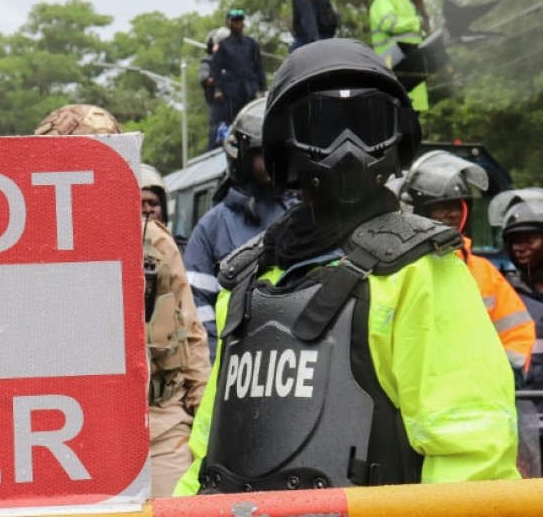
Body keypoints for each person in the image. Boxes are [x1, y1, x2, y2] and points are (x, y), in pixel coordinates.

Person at [174, 38, 519, 496]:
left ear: (397, 136)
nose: (348, 147)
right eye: (323, 126)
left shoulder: (420, 269)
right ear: (282, 143)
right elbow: (209, 457)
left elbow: (472, 451)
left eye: (367, 124)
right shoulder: (248, 280)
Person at [34, 104, 211, 498]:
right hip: (64, 432)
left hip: (158, 423)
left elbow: (190, 332)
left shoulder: (153, 243)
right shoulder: (26, 249)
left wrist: (202, 417)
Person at [400, 151, 536, 385]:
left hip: (480, 396)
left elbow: (517, 331)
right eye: (441, 206)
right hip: (417, 394)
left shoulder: (483, 271)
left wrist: (508, 374)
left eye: (457, 205)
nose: (451, 213)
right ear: (420, 211)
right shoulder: (400, 268)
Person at [182, 97, 295, 362]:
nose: (272, 161)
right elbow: (195, 307)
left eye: (278, 152)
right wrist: (217, 364)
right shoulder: (213, 226)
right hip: (235, 363)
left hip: (299, 362)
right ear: (241, 157)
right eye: (262, 153)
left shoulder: (306, 212)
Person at [491, 188, 543, 396]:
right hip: (522, 402)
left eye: (529, 239)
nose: (519, 247)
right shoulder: (503, 292)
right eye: (514, 240)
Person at [370, 0, 429, 111]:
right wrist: (417, 22)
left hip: (411, 66)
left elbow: (421, 30)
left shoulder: (407, 0)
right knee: (395, 115)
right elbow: (389, 23)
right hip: (393, 62)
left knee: (411, 118)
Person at [211, 9, 267, 127]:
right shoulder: (223, 45)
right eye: (235, 21)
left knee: (252, 121)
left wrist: (263, 88)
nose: (238, 23)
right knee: (233, 122)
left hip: (251, 89)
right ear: (229, 23)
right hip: (231, 92)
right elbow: (216, 69)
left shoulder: (251, 43)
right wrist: (218, 89)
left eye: (240, 21)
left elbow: (259, 67)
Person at [200, 27, 231, 150]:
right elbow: (205, 78)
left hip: (236, 103)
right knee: (216, 134)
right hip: (218, 105)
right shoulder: (207, 61)